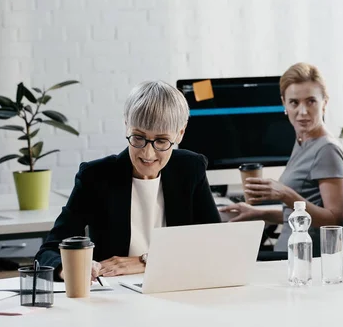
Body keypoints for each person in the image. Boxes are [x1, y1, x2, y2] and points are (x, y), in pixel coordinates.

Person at [36, 81, 221, 280]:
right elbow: (47, 253)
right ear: (126, 126)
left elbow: (215, 244)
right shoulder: (96, 176)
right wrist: (71, 268)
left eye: (161, 141)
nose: (147, 153)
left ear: (180, 133)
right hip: (115, 293)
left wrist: (144, 261)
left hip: (176, 285)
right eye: (138, 137)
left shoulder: (190, 168)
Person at [219, 63, 343, 254]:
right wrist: (261, 213)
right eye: (294, 102)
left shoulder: (327, 149)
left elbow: (334, 220)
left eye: (311, 101)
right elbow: (300, 215)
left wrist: (285, 194)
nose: (302, 111)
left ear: (325, 102)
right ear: (284, 104)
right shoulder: (303, 140)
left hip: (300, 259)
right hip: (288, 252)